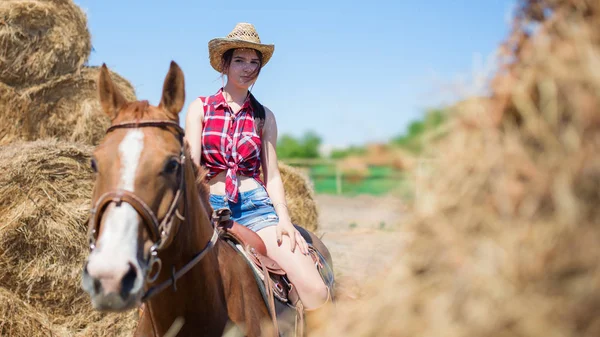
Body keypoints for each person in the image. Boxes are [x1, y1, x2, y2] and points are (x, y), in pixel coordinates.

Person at [184, 22, 330, 312]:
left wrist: (285, 220)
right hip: (208, 208)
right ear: (224, 64)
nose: (248, 68)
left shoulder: (265, 116)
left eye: (254, 62)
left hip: (256, 209)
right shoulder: (200, 108)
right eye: (239, 60)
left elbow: (272, 175)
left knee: (316, 291)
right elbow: (190, 170)